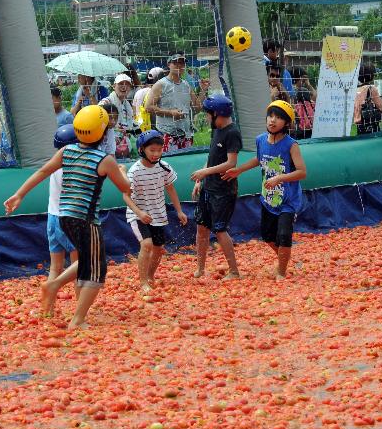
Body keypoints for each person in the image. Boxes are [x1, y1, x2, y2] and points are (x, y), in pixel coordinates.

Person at [5, 105, 144, 329]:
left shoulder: (66, 152)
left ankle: (57, 286)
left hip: (64, 217)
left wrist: (19, 194)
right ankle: (73, 313)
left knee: (88, 263)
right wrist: (124, 172)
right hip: (85, 219)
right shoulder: (105, 160)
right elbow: (125, 187)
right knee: (96, 272)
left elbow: (43, 171)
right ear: (102, 132)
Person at [223, 100, 307, 280]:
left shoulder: (291, 145)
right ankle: (285, 258)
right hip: (268, 198)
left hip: (288, 201)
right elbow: (259, 159)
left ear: (287, 123)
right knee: (267, 236)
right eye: (270, 116)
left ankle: (281, 272)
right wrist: (240, 169)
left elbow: (302, 172)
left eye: (278, 118)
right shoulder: (261, 140)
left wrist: (279, 178)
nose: (272, 120)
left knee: (283, 235)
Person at [126, 129, 188, 292]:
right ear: (142, 150)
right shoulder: (135, 171)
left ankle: (150, 275)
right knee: (147, 244)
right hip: (138, 214)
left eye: (159, 150)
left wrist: (179, 211)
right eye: (152, 150)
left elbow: (171, 189)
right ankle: (143, 282)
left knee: (158, 248)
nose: (156, 154)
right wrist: (139, 213)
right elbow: (126, 196)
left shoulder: (164, 167)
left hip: (158, 214)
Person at [190, 95, 242, 280]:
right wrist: (200, 181)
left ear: (217, 114)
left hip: (223, 190)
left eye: (208, 114)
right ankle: (201, 268)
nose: (206, 118)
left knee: (219, 229)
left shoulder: (232, 132)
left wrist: (205, 173)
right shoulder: (217, 130)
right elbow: (211, 157)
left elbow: (231, 162)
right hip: (209, 187)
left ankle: (234, 271)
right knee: (201, 228)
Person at [44, 124, 80, 317]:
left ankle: (47, 309)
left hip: (52, 217)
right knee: (81, 265)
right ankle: (80, 311)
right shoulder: (73, 167)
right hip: (68, 220)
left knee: (55, 267)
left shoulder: (55, 163)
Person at [146, 52, 210, 152]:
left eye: (182, 63)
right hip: (166, 135)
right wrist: (170, 113)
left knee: (186, 165)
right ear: (169, 65)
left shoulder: (186, 85)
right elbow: (148, 107)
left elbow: (197, 108)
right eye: (176, 63)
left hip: (186, 134)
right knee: (168, 164)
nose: (179, 65)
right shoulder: (161, 84)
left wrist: (203, 90)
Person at [100, 73, 138, 158]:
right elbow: (97, 119)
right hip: (108, 145)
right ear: (114, 86)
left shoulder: (127, 104)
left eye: (127, 84)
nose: (124, 87)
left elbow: (131, 125)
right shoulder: (106, 102)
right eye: (121, 84)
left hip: (123, 145)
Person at [353, 64, 382, 135]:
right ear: (371, 76)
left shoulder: (355, 89)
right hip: (370, 119)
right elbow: (380, 105)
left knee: (361, 137)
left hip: (359, 120)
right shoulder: (371, 88)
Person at [133, 67, 165, 132]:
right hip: (154, 130)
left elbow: (134, 112)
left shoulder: (139, 92)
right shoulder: (158, 94)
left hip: (139, 128)